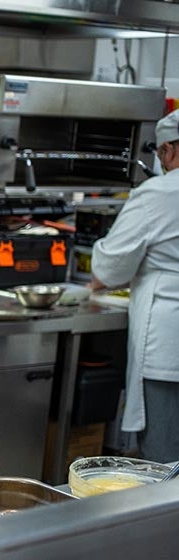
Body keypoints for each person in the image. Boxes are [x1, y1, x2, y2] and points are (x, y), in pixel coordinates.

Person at [90, 109, 179, 464]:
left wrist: (101, 273)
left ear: (169, 150)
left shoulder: (159, 192)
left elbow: (110, 267)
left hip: (169, 340)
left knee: (163, 459)